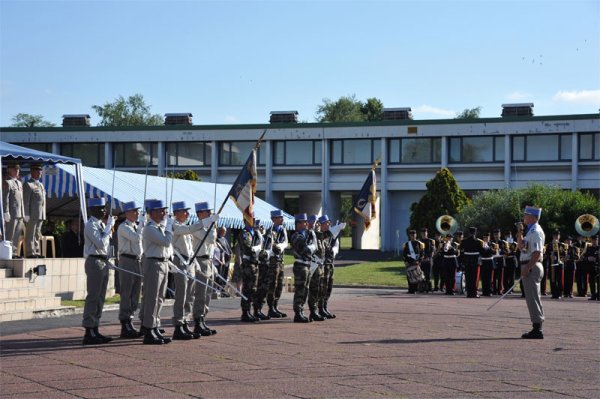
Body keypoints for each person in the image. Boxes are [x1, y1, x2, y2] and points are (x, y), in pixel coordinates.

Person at [81, 197, 114, 345]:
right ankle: (89, 330)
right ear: (93, 209)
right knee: (93, 296)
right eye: (102, 208)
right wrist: (108, 229)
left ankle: (95, 327)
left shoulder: (100, 224)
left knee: (101, 297)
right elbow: (100, 243)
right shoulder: (90, 224)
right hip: (94, 260)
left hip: (103, 260)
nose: (105, 211)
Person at [140, 199, 173, 345]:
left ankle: (155, 326)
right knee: (152, 298)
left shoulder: (158, 227)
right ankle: (148, 329)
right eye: (161, 210)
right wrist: (169, 227)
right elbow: (165, 242)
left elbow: (166, 247)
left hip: (162, 262)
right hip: (153, 263)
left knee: (160, 298)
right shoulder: (150, 228)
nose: (164, 213)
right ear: (152, 212)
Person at [170, 201, 204, 340]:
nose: (188, 214)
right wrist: (205, 222)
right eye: (185, 211)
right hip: (180, 260)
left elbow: (190, 249)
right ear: (177, 213)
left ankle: (185, 322)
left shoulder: (184, 226)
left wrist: (195, 262)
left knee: (189, 295)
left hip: (188, 261)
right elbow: (189, 230)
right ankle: (178, 325)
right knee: (181, 294)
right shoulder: (174, 225)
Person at [116, 201, 144, 339]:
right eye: (134, 211)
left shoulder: (135, 226)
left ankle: (130, 319)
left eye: (138, 211)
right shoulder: (123, 227)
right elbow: (136, 238)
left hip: (137, 260)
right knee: (126, 292)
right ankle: (125, 322)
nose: (137, 214)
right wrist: (141, 226)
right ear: (127, 213)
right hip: (127, 260)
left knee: (135, 293)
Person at [191, 201, 219, 334]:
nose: (209, 214)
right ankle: (197, 320)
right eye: (207, 212)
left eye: (209, 212)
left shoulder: (208, 227)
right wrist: (212, 226)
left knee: (208, 293)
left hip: (209, 261)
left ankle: (203, 319)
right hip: (200, 261)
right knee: (200, 293)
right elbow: (210, 239)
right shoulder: (196, 227)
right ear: (200, 214)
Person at [517, 205, 546, 339]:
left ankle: (537, 328)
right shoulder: (530, 231)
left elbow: (537, 252)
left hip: (532, 266)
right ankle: (537, 325)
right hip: (530, 265)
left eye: (526, 215)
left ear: (533, 217)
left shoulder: (536, 231)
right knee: (531, 297)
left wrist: (527, 267)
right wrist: (519, 233)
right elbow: (521, 247)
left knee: (533, 297)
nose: (524, 217)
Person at [316, 215, 344, 318]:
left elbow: (336, 245)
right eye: (326, 223)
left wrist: (335, 250)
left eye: (329, 223)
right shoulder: (320, 235)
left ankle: (324, 306)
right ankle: (319, 308)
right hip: (322, 265)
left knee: (328, 287)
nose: (328, 224)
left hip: (330, 264)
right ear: (321, 224)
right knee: (321, 287)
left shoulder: (331, 235)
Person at [290, 213, 315, 322]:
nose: (306, 223)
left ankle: (301, 310)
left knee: (305, 289)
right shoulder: (297, 236)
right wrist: (313, 246)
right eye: (304, 222)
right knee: (300, 289)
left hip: (306, 265)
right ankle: (298, 312)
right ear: (298, 224)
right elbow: (306, 251)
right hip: (300, 265)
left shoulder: (306, 235)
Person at [264, 210, 289, 318]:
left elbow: (286, 243)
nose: (282, 219)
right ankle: (271, 308)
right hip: (273, 262)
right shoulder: (270, 232)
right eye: (279, 217)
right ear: (273, 219)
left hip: (280, 261)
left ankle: (275, 305)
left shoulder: (283, 230)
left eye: (282, 217)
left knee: (279, 285)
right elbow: (269, 246)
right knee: (272, 285)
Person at [238, 216, 263, 322]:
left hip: (255, 263)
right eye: (251, 219)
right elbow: (248, 248)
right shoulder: (244, 233)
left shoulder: (255, 232)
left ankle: (251, 311)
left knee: (253, 288)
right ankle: (245, 312)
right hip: (248, 263)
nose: (254, 221)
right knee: (247, 289)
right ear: (246, 221)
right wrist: (257, 250)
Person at [23, 163, 46, 258]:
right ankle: (30, 252)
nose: (39, 172)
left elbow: (43, 201)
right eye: (37, 170)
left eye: (40, 170)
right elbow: (26, 201)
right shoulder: (28, 184)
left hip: (40, 214)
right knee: (30, 233)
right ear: (32, 172)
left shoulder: (40, 185)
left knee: (37, 233)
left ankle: (36, 251)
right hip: (32, 214)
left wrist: (43, 214)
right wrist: (26, 214)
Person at [2, 162, 25, 258]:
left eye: (18, 169)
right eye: (14, 169)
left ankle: (14, 252)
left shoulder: (19, 183)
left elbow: (21, 199)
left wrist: (23, 213)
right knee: (10, 234)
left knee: (17, 235)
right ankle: (8, 252)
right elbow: (5, 198)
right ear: (9, 170)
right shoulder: (7, 182)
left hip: (20, 213)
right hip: (12, 212)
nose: (17, 171)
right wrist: (6, 211)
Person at [306, 215, 325, 321]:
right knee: (312, 289)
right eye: (315, 222)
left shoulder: (318, 235)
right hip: (312, 265)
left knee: (318, 289)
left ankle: (316, 311)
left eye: (318, 222)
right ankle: (312, 311)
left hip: (319, 266)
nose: (318, 224)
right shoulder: (309, 235)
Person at [253, 219, 272, 320]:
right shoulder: (255, 237)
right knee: (258, 289)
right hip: (259, 266)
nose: (262, 228)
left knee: (265, 289)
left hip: (266, 266)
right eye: (260, 226)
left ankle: (260, 309)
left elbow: (269, 250)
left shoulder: (266, 238)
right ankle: (256, 310)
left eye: (263, 226)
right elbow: (258, 251)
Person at [459, 227, 484, 298]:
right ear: (475, 233)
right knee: (475, 278)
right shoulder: (478, 241)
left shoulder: (464, 241)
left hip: (467, 261)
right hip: (475, 261)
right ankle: (474, 293)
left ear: (469, 232)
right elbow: (482, 251)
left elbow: (461, 249)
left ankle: (469, 293)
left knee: (468, 277)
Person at [545, 230, 566, 299]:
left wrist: (561, 259)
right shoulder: (549, 245)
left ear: (559, 237)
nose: (556, 237)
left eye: (557, 236)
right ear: (553, 236)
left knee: (559, 279)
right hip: (552, 264)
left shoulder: (562, 245)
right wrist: (550, 256)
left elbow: (565, 255)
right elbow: (546, 254)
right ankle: (554, 293)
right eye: (555, 235)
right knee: (552, 279)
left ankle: (559, 293)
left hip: (560, 264)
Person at [403, 229, 424, 294]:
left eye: (414, 234)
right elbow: (404, 254)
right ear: (410, 236)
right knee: (409, 276)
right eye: (411, 235)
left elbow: (422, 253)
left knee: (416, 276)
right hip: (409, 261)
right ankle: (410, 289)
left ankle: (415, 289)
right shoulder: (406, 244)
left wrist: (419, 261)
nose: (412, 236)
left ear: (416, 235)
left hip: (416, 261)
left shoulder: (420, 243)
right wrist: (406, 261)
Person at [491, 229, 508, 295]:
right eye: (495, 235)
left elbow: (506, 252)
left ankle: (500, 290)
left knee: (500, 277)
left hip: (501, 260)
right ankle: (494, 289)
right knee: (494, 277)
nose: (496, 236)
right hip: (494, 260)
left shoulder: (503, 243)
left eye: (497, 234)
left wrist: (500, 250)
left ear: (500, 235)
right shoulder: (491, 243)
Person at [419, 227, 435, 292]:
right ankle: (422, 287)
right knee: (421, 275)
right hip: (421, 261)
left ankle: (429, 288)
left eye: (425, 233)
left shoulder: (431, 241)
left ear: (427, 233)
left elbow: (432, 251)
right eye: (423, 233)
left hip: (428, 260)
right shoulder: (419, 241)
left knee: (428, 275)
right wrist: (420, 259)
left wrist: (428, 258)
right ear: (421, 234)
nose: (424, 234)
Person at [584, 235, 599, 300]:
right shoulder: (588, 248)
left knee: (599, 282)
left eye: (595, 240)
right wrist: (588, 258)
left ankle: (599, 295)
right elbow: (584, 257)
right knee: (592, 282)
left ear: (598, 240)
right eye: (593, 240)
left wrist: (597, 258)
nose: (594, 241)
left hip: (598, 267)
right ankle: (593, 295)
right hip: (591, 268)